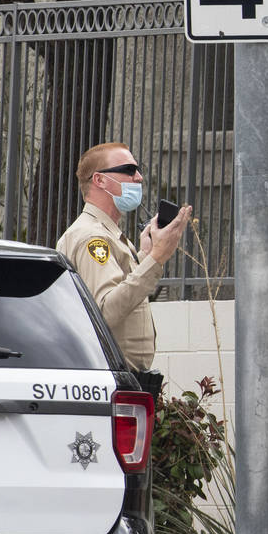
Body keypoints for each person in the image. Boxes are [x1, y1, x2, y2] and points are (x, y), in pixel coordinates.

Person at [57, 142, 192, 375]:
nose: (139, 178)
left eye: (137, 170)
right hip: (110, 376)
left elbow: (118, 286)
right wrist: (157, 258)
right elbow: (105, 312)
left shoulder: (106, 233)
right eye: (129, 170)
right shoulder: (93, 237)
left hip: (118, 375)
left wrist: (146, 255)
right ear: (99, 180)